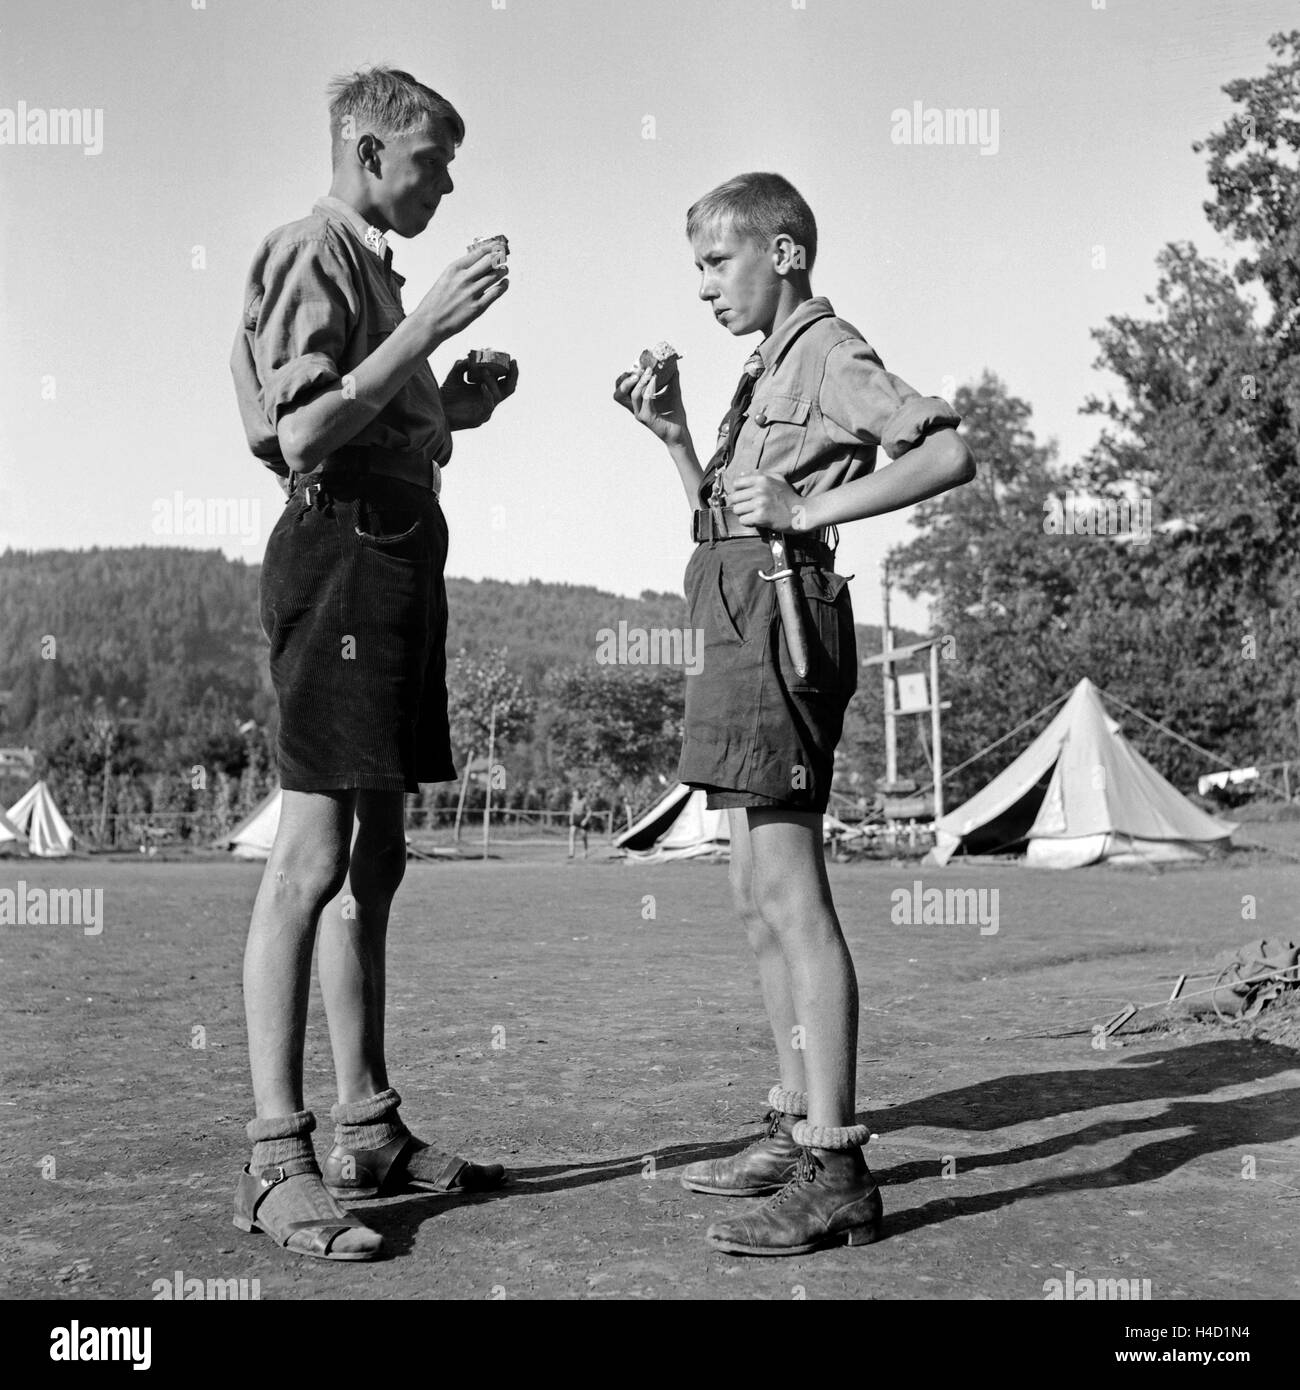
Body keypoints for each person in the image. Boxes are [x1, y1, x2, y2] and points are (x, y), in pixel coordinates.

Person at [613, 172, 974, 1256]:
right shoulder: (761, 367)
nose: (705, 289)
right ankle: (793, 1120)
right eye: (696, 270)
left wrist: (811, 506)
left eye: (715, 264)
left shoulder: (825, 348)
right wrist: (675, 436)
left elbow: (945, 449)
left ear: (782, 253)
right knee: (748, 889)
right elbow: (724, 514)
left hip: (780, 623)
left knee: (788, 887)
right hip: (733, 617)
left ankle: (837, 1167)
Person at [228, 66, 517, 1261]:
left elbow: (377, 407)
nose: (445, 183)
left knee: (378, 853)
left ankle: (368, 1127)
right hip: (339, 546)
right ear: (364, 149)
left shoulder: (375, 268)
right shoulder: (310, 246)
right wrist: (427, 329)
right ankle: (272, 1158)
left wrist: (451, 405)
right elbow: (300, 430)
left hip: (394, 550)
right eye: (430, 161)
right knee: (309, 854)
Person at [567, 786, 592, 859]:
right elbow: (572, 810)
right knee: (572, 834)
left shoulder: (584, 800)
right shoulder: (573, 800)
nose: (575, 794)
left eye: (576, 793)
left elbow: (590, 812)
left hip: (582, 820)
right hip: (575, 820)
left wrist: (585, 820)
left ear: (579, 793)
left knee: (583, 837)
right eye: (574, 793)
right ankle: (571, 853)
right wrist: (570, 818)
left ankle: (585, 853)